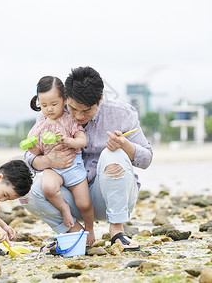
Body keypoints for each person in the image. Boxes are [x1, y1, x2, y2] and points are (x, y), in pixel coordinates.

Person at [22, 66, 153, 251]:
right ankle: (74, 234)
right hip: (69, 196)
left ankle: (117, 231)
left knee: (113, 154)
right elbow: (28, 155)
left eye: (86, 110)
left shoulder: (122, 113)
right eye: (73, 108)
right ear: (65, 97)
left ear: (100, 99)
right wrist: (46, 161)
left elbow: (147, 158)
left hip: (109, 195)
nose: (78, 116)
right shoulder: (50, 114)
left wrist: (124, 145)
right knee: (25, 192)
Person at [25, 76, 95, 246]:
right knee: (48, 188)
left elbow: (82, 141)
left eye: (54, 104)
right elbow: (35, 151)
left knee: (84, 203)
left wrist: (69, 141)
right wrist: (33, 148)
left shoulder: (70, 119)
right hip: (52, 168)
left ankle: (90, 228)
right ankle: (64, 209)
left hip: (73, 165)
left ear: (64, 100)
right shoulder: (39, 125)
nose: (49, 109)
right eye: (44, 105)